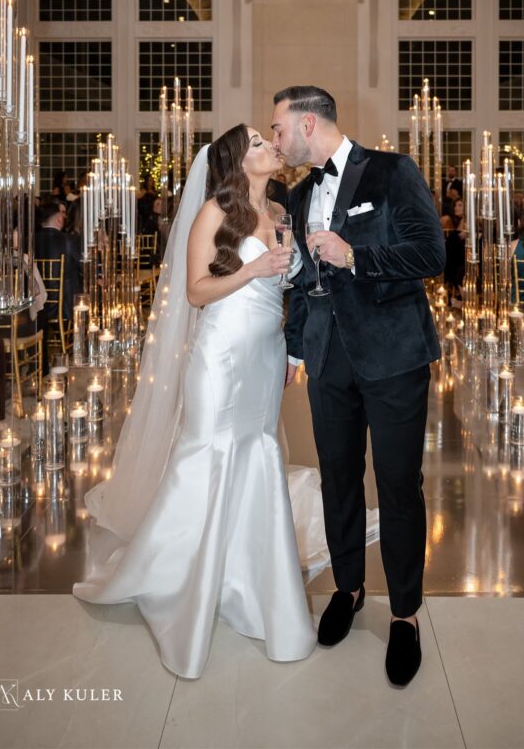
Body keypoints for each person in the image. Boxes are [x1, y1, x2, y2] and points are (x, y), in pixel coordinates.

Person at [73, 127, 317, 678]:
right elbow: (195, 292)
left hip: (265, 352)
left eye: (266, 139)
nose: (269, 146)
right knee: (206, 454)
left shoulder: (280, 211)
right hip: (221, 354)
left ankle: (245, 576)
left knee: (256, 453)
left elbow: (290, 282)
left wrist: (290, 341)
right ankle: (181, 575)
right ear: (236, 161)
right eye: (257, 142)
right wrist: (252, 269)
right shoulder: (215, 212)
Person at [271, 85, 445, 689]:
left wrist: (355, 258)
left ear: (309, 123)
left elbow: (431, 253)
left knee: (398, 486)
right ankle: (348, 587)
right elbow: (299, 284)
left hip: (395, 357)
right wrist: (295, 347)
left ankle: (404, 615)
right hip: (327, 360)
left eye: (279, 128)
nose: (275, 140)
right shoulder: (295, 195)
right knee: (337, 478)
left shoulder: (393, 171)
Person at [440, 197, 466, 298]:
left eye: (460, 205)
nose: (456, 208)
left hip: (457, 269)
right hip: (451, 268)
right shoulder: (458, 222)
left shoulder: (468, 226)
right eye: (455, 205)